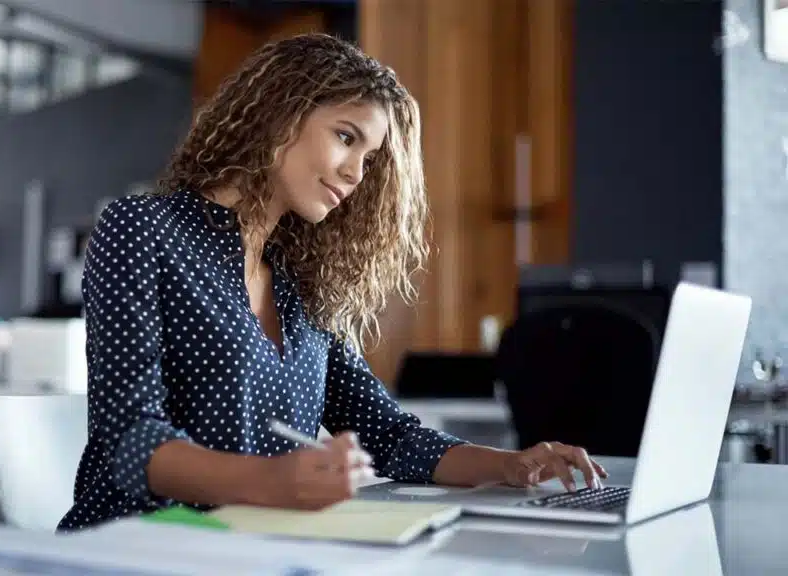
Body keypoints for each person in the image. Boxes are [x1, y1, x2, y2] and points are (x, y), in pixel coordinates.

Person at [57, 33, 606, 532]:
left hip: (253, 551)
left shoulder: (299, 284)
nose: (355, 174)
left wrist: (514, 466)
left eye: (368, 159)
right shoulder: (143, 228)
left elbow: (387, 434)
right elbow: (131, 440)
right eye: (345, 137)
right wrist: (273, 483)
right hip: (135, 547)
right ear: (278, 114)